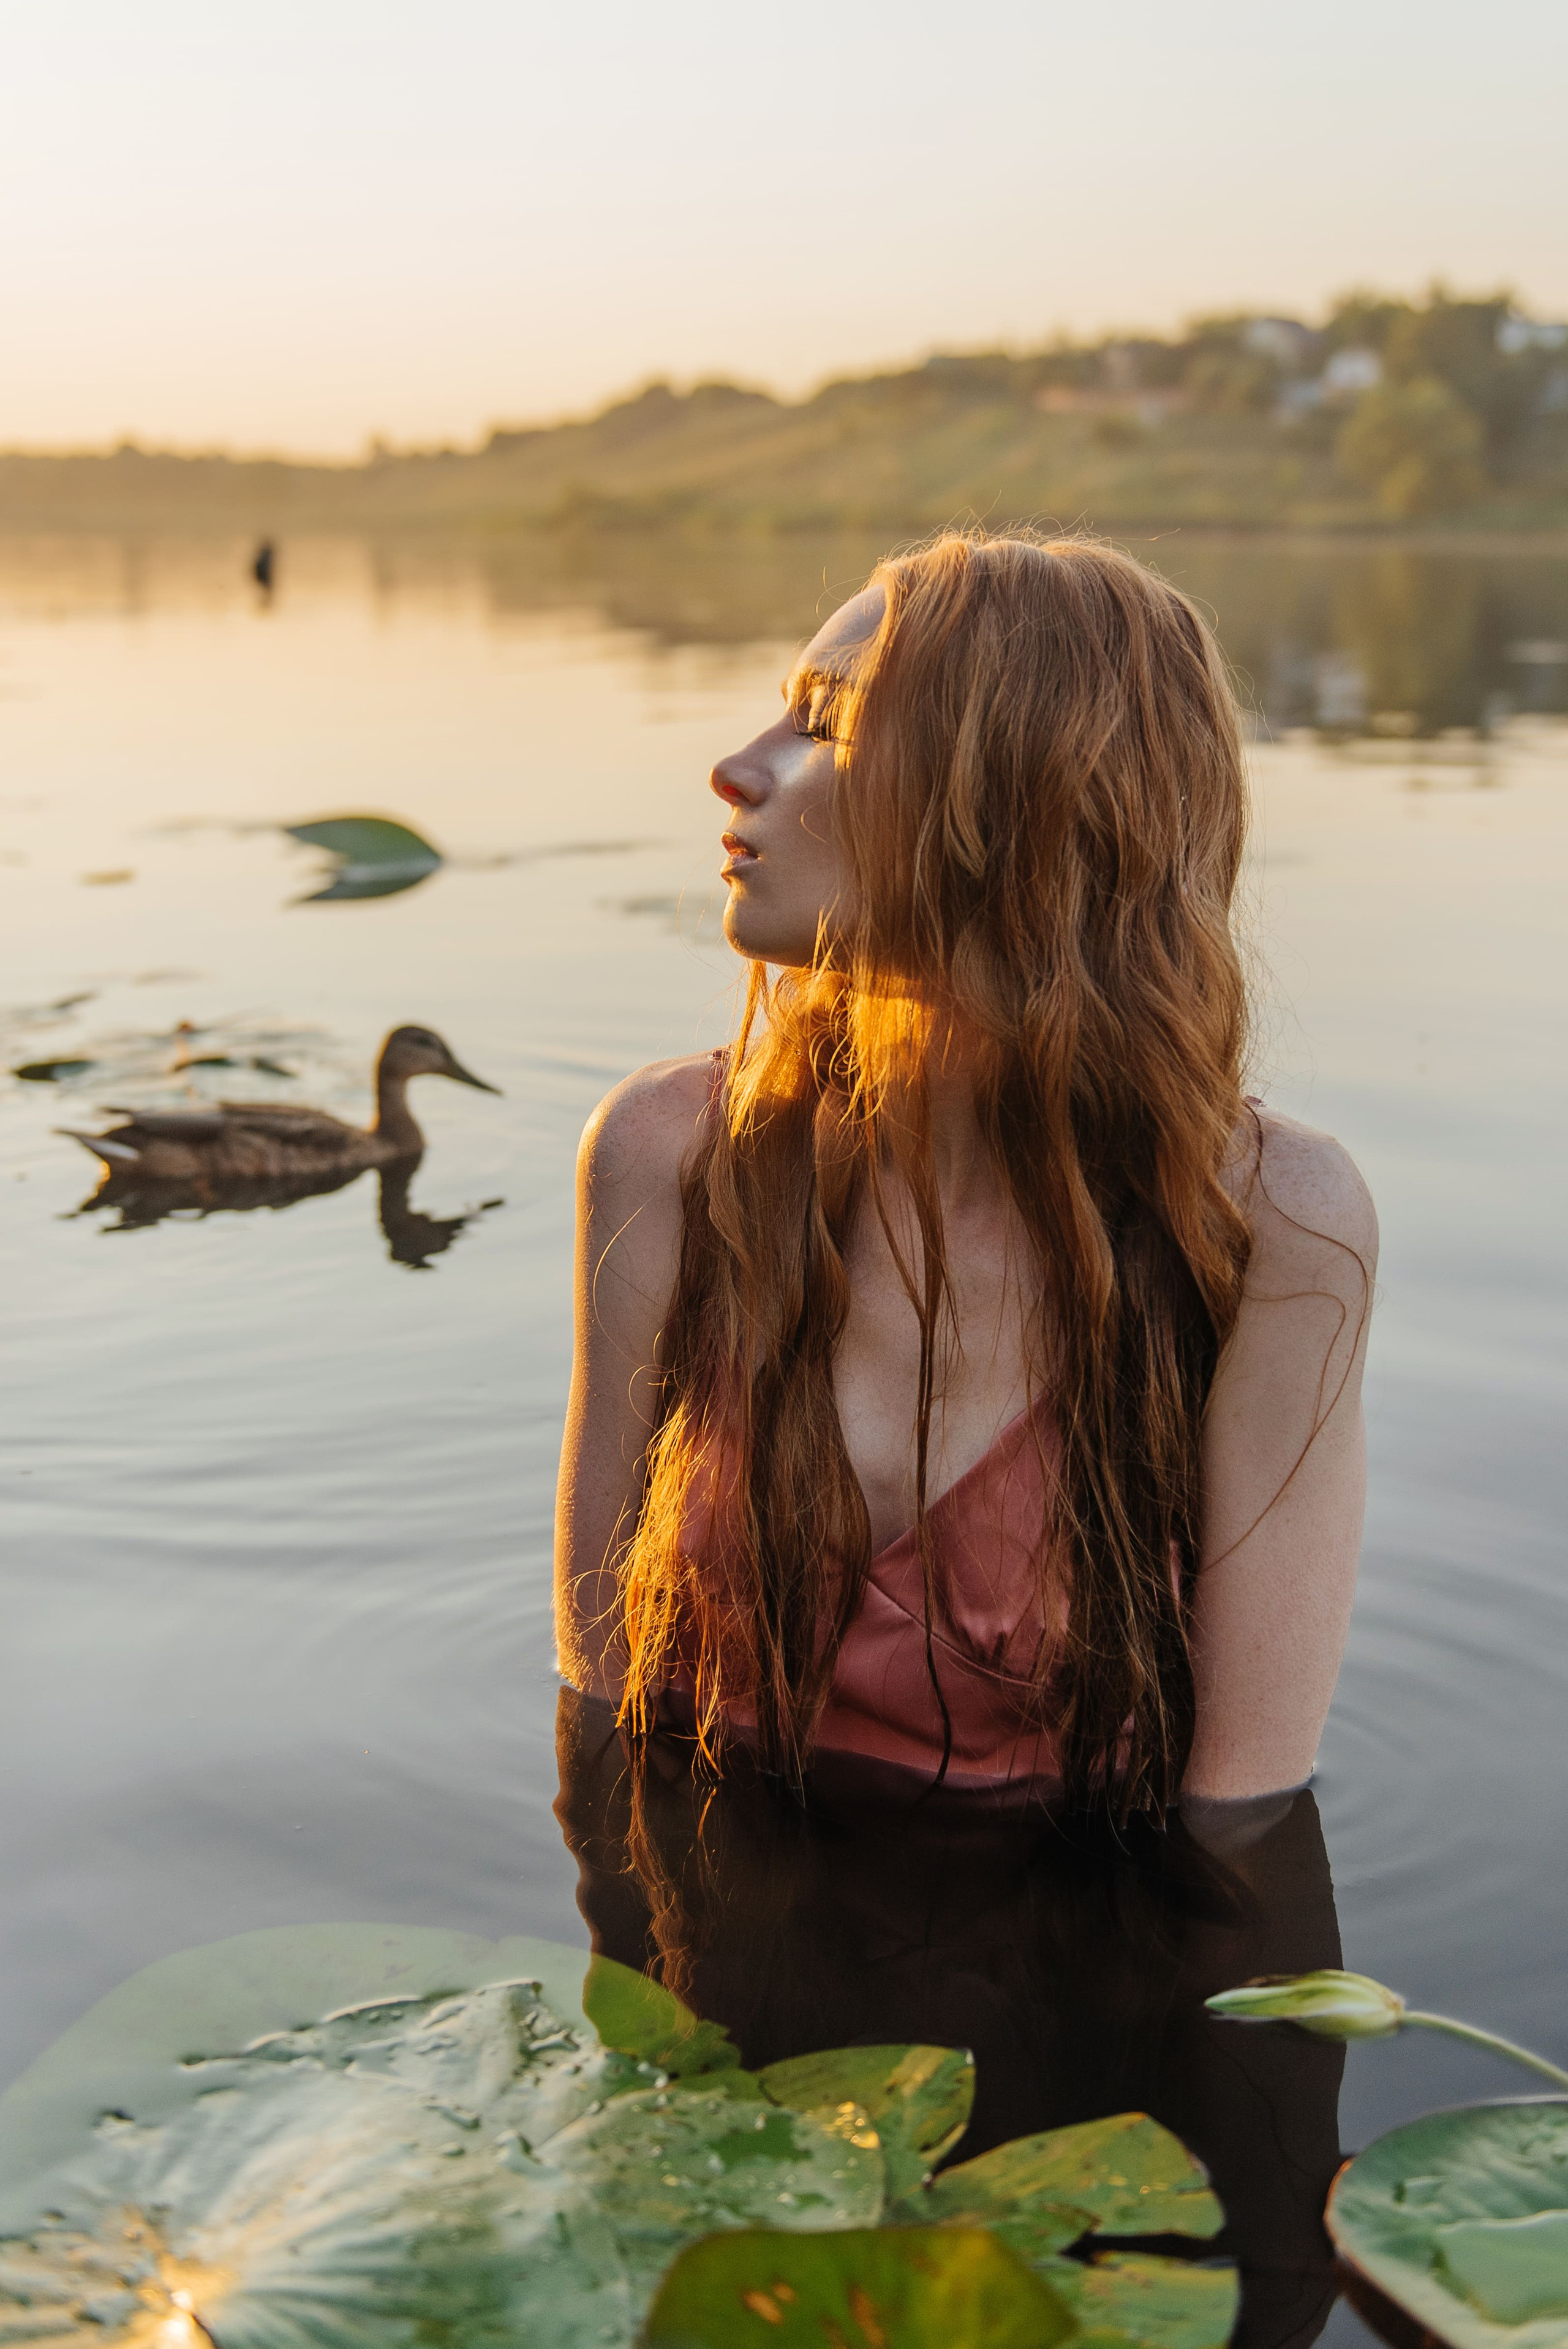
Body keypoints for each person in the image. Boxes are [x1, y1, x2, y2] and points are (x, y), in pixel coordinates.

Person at [554, 529, 1376, 1816]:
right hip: (720, 1942)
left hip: (1078, 1968)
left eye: (821, 725)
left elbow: (1241, 1818)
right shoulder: (671, 1156)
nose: (732, 770)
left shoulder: (1271, 1226)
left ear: (1010, 798)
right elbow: (602, 1711)